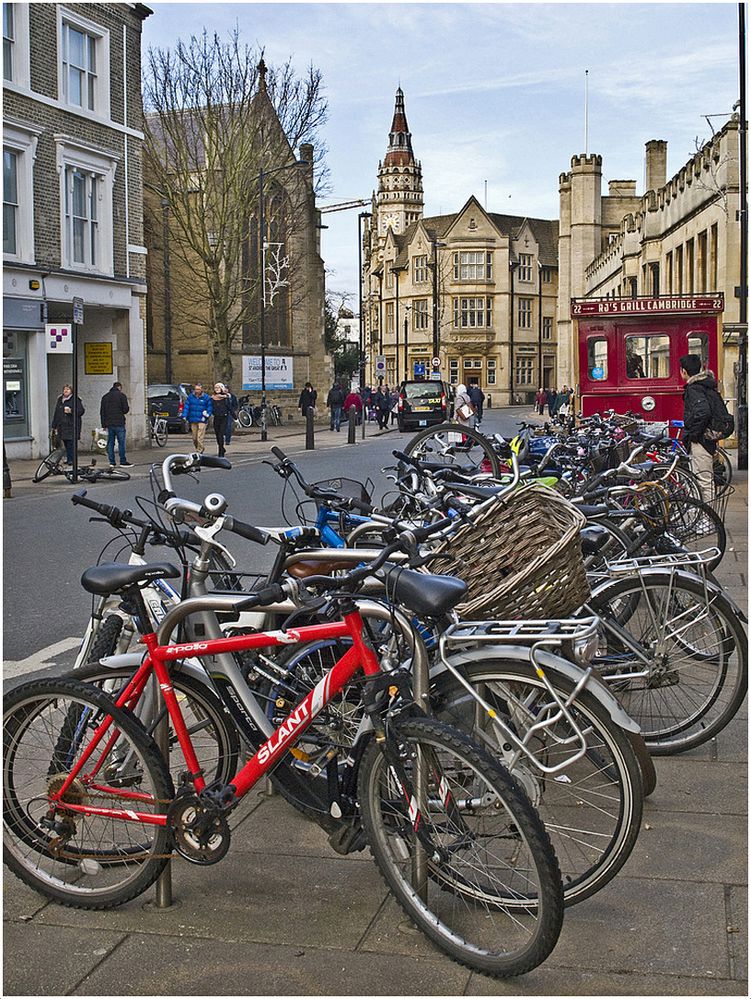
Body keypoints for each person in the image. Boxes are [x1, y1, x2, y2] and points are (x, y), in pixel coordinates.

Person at [680, 354, 720, 502]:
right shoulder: (705, 385)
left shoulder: (694, 388)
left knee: (704, 480)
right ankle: (706, 518)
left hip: (701, 441)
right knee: (703, 479)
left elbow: (703, 412)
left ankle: (707, 520)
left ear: (684, 371)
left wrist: (693, 435)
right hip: (706, 439)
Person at [100, 381, 133, 468]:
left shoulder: (105, 397)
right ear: (120, 387)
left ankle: (112, 462)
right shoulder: (122, 396)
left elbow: (102, 412)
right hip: (119, 422)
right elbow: (125, 409)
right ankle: (122, 461)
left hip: (109, 423)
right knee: (121, 442)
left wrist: (103, 425)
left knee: (110, 443)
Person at [51, 384, 85, 466]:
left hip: (72, 425)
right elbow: (57, 412)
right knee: (65, 442)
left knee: (71, 443)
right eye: (65, 389)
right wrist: (54, 425)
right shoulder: (60, 399)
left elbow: (81, 411)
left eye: (68, 389)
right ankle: (69, 458)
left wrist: (71, 411)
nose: (66, 391)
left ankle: (72, 459)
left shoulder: (75, 400)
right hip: (62, 425)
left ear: (71, 391)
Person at [184, 382, 213, 453]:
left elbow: (209, 407)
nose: (197, 391)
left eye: (199, 389)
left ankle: (199, 450)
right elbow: (186, 407)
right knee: (194, 438)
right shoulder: (190, 397)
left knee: (200, 437)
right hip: (193, 418)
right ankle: (199, 447)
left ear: (201, 389)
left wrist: (208, 414)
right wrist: (184, 415)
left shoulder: (206, 398)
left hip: (202, 419)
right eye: (196, 389)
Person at [210, 383, 230, 457]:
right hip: (216, 417)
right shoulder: (212, 398)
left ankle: (220, 450)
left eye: (218, 387)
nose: (217, 389)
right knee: (217, 435)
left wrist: (235, 418)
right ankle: (222, 448)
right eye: (215, 388)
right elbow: (210, 407)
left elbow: (229, 407)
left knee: (221, 434)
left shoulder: (225, 398)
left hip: (224, 417)